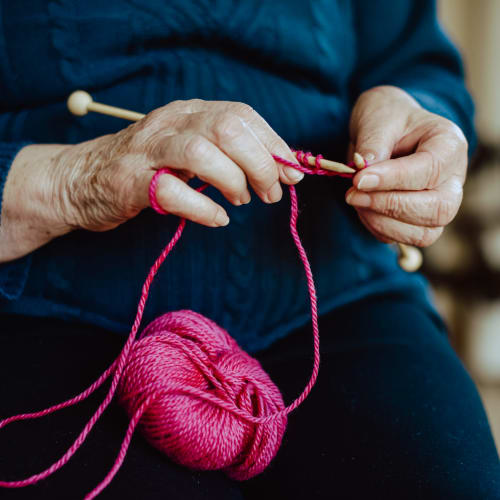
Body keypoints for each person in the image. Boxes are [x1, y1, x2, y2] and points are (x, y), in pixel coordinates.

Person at [0, 0, 498, 499]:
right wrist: (70, 182)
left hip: (335, 287)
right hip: (48, 296)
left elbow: (415, 61)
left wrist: (421, 116)